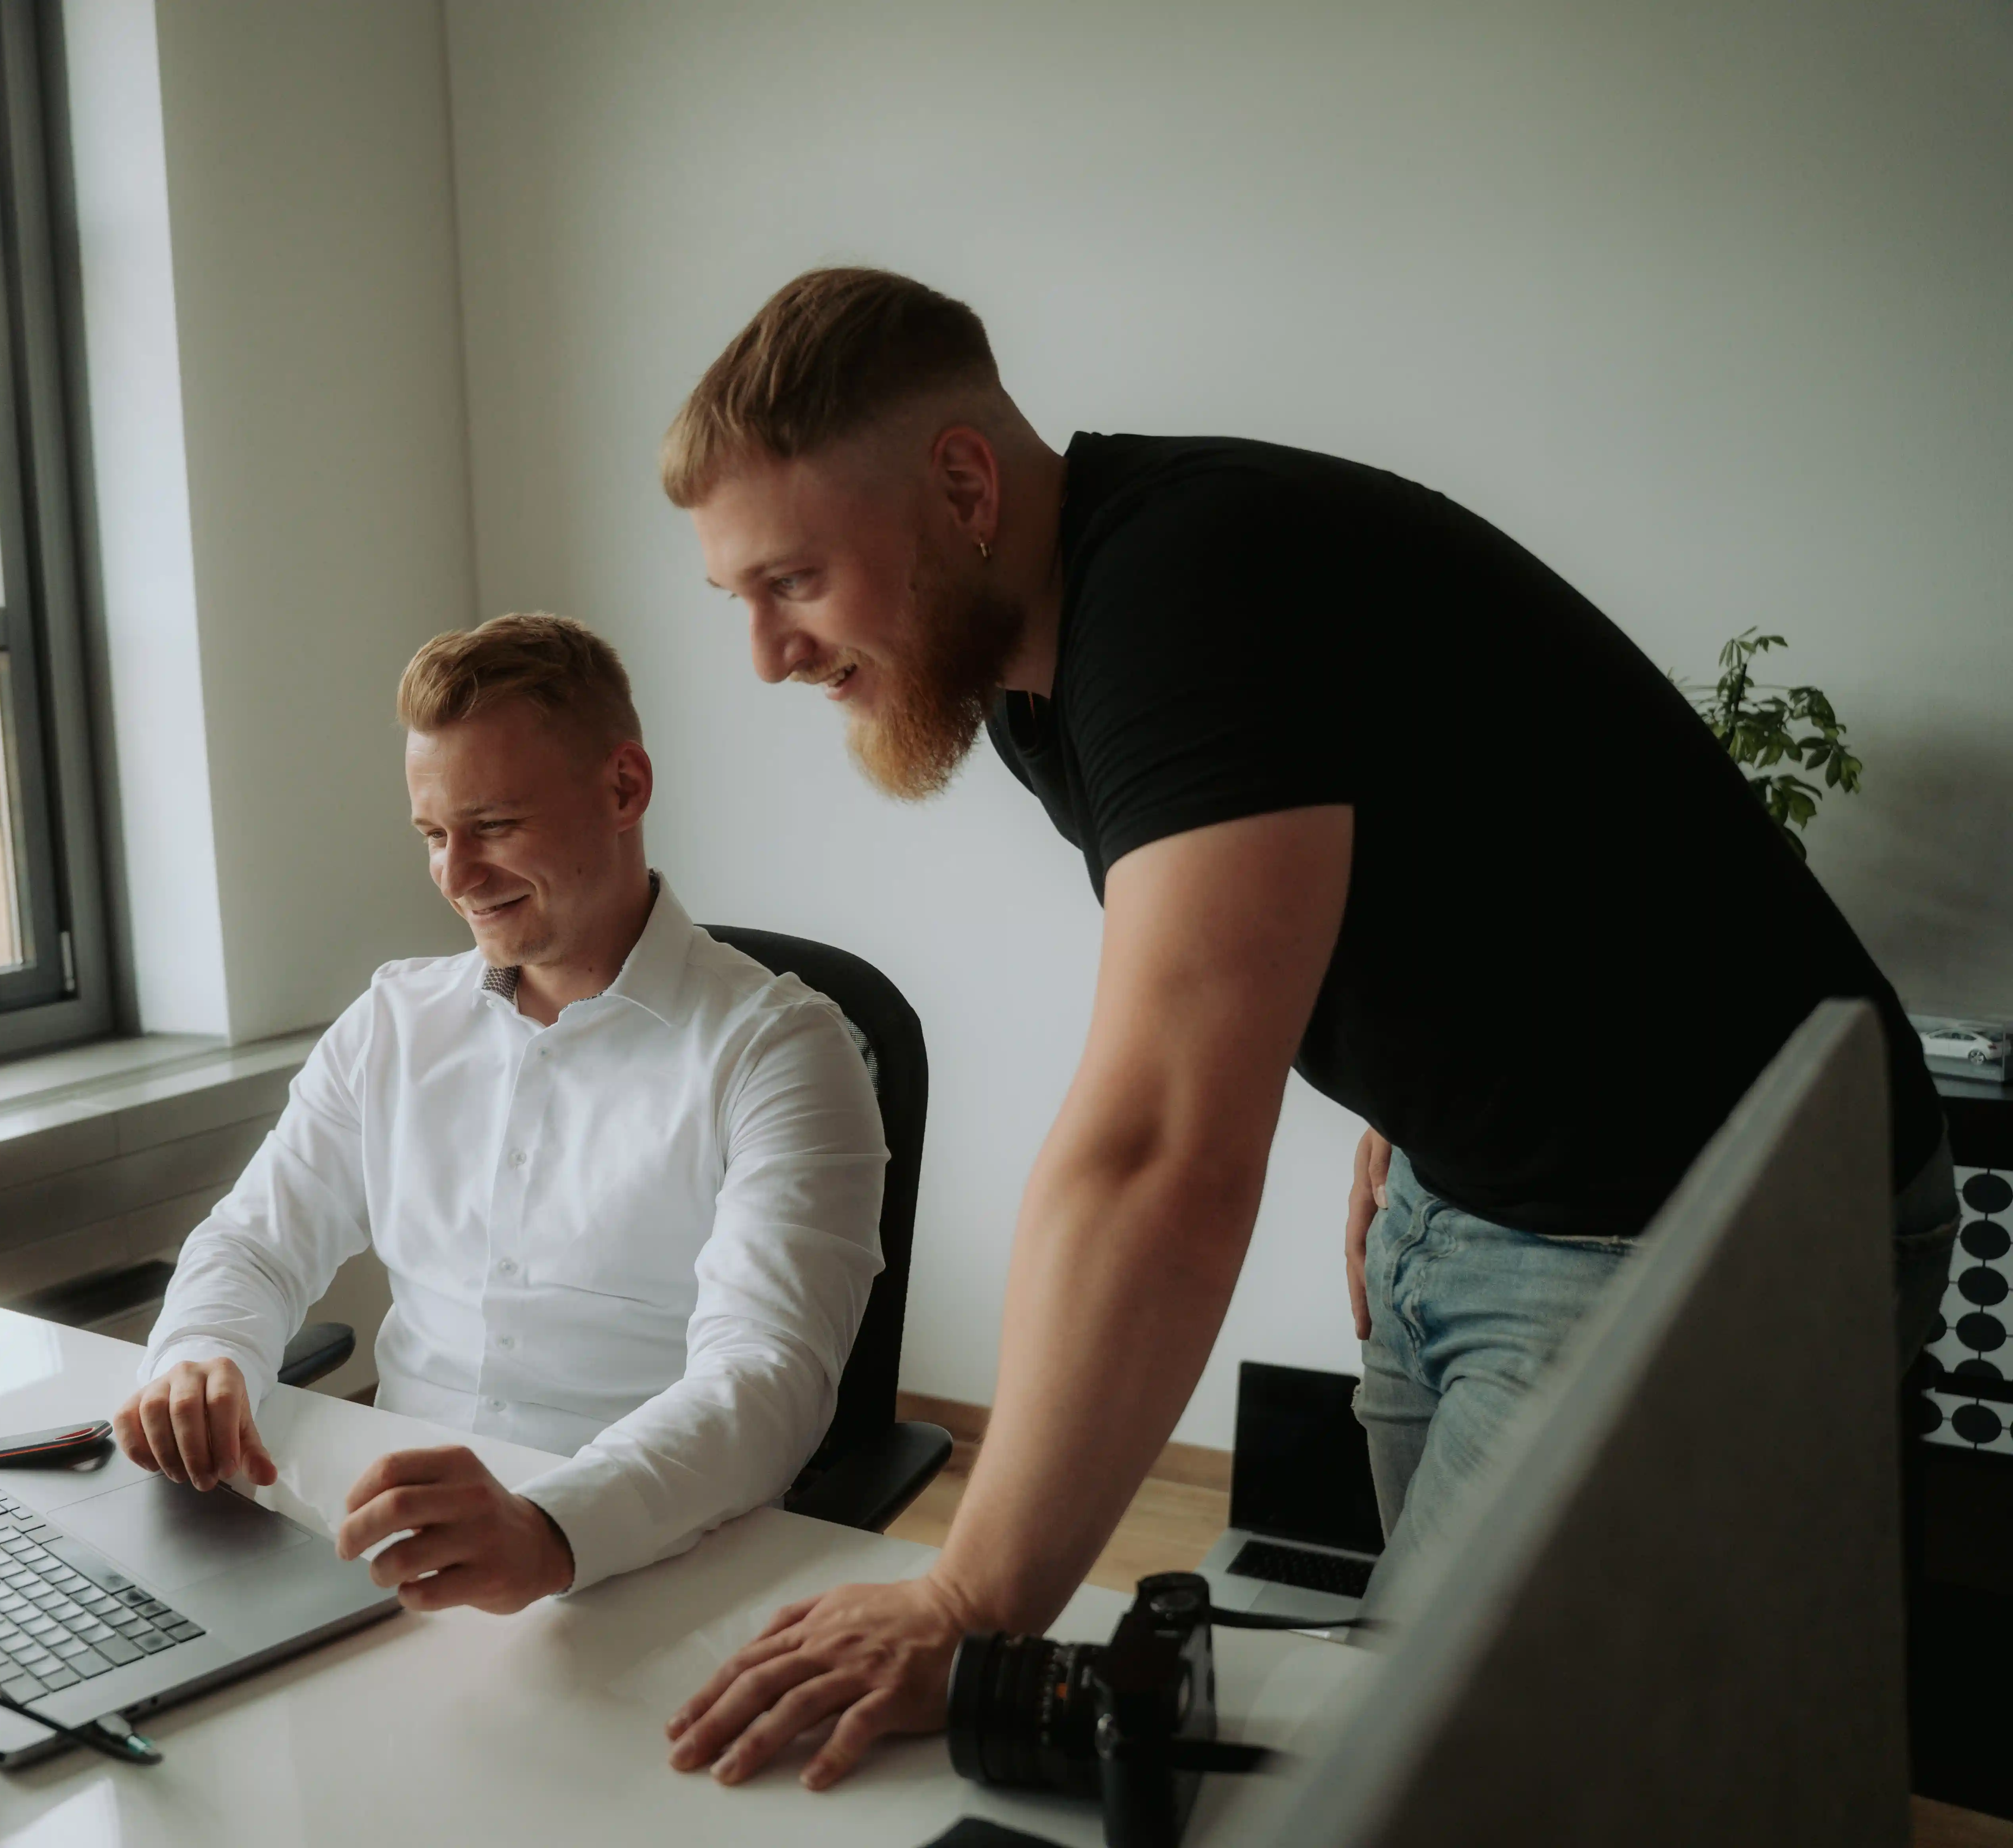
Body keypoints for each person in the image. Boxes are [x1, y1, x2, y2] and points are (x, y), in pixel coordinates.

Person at [651, 267, 1954, 1789]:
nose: (764, 655)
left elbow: (1153, 1150)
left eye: (792, 582)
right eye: (733, 598)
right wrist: (1407, 1103)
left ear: (959, 482)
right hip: (1466, 1196)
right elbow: (1417, 833)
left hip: (1681, 1223)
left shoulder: (1182, 595)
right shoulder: (1032, 668)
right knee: (1452, 1705)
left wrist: (962, 1598)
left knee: (1471, 1768)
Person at [112, 612, 888, 1616]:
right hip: (390, 1548)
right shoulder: (394, 1020)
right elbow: (256, 1242)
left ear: (624, 788)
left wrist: (553, 1527)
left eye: (494, 826)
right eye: (434, 834)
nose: (455, 876)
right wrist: (200, 1357)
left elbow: (764, 1374)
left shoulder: (780, 1048)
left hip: (647, 1563)